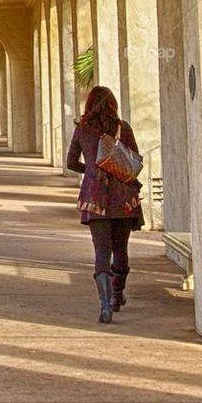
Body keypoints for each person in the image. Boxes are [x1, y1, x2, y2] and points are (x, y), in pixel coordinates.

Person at [67, 85, 143, 324]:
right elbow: (134, 160)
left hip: (95, 198)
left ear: (89, 104)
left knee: (101, 252)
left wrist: (90, 170)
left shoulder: (82, 129)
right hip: (123, 198)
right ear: (112, 104)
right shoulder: (122, 127)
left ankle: (104, 307)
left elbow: (71, 162)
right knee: (120, 250)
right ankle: (116, 296)